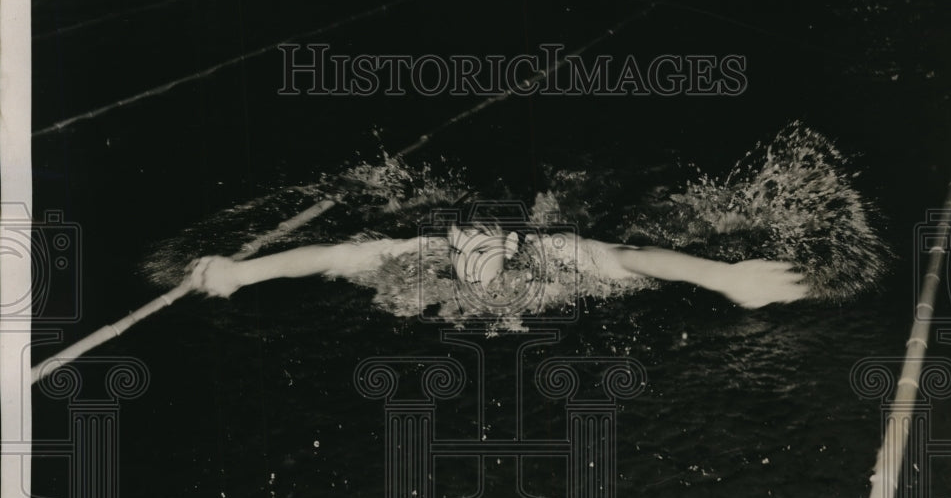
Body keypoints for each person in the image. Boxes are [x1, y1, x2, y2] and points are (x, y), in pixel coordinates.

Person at [186, 221, 808, 310]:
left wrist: (724, 276)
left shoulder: (556, 259)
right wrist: (241, 272)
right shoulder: (424, 257)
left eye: (466, 235)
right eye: (457, 239)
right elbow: (328, 255)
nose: (451, 235)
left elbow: (634, 257)